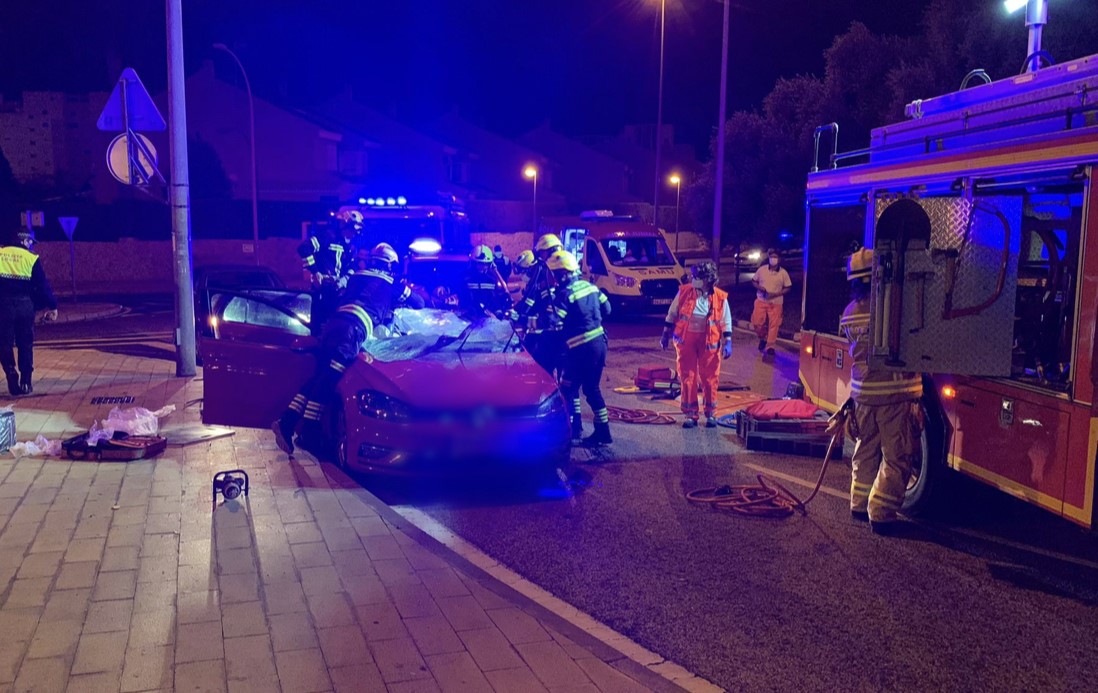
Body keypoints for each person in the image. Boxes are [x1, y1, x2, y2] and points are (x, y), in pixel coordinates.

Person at [840, 248, 923, 535]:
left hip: (862, 395)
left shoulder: (849, 313)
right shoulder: (892, 309)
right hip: (894, 395)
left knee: (865, 449)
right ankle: (881, 513)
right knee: (896, 455)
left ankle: (859, 503)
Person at [272, 295, 373, 457]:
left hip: (334, 327)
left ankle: (287, 422)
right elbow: (413, 299)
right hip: (349, 333)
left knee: (318, 378)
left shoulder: (359, 283)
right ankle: (309, 432)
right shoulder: (389, 287)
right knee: (327, 382)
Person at [548, 250, 612, 446]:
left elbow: (553, 323)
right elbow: (608, 309)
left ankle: (570, 430)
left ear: (563, 273)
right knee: (591, 389)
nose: (555, 278)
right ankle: (602, 432)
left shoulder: (564, 295)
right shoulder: (591, 287)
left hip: (580, 349)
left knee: (568, 388)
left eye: (556, 274)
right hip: (599, 344)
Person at [660, 261, 733, 428]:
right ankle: (690, 414)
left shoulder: (720, 297)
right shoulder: (684, 292)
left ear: (707, 279)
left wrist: (728, 342)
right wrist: (665, 334)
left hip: (709, 342)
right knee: (688, 377)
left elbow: (725, 321)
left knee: (710, 378)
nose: (693, 279)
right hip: (686, 340)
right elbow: (672, 313)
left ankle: (711, 413)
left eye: (697, 277)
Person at [0, 228, 57, 396]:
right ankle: (26, 381)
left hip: (3, 306)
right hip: (25, 305)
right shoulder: (31, 258)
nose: (31, 245)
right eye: (31, 242)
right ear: (24, 241)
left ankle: (11, 373)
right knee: (25, 343)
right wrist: (52, 306)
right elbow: (43, 285)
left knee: (4, 343)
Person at [343, 243, 425, 336]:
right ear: (388, 265)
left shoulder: (355, 276)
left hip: (339, 318)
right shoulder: (390, 282)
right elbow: (419, 303)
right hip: (360, 327)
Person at [751, 248, 792, 356]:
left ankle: (770, 346)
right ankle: (763, 338)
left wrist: (777, 294)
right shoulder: (762, 270)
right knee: (757, 323)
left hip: (776, 302)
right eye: (771, 257)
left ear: (779, 259)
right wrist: (760, 288)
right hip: (761, 300)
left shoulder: (783, 273)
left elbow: (788, 287)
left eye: (775, 257)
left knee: (774, 325)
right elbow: (754, 281)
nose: (773, 259)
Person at [461, 245, 512, 317]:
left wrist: (499, 308)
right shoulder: (466, 279)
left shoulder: (491, 279)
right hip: (469, 317)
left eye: (486, 264)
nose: (483, 267)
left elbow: (493, 299)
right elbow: (462, 297)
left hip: (488, 317)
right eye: (480, 264)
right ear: (473, 263)